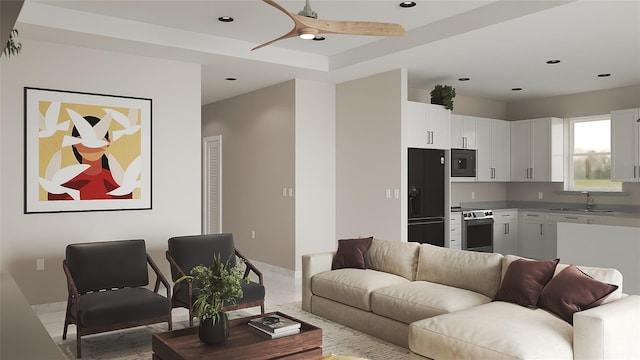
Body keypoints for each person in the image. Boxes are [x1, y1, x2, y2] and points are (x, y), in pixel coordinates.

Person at [48, 115, 132, 200]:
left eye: (98, 139)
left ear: (108, 143)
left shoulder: (119, 184)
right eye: (83, 140)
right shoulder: (61, 186)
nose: (91, 146)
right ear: (74, 143)